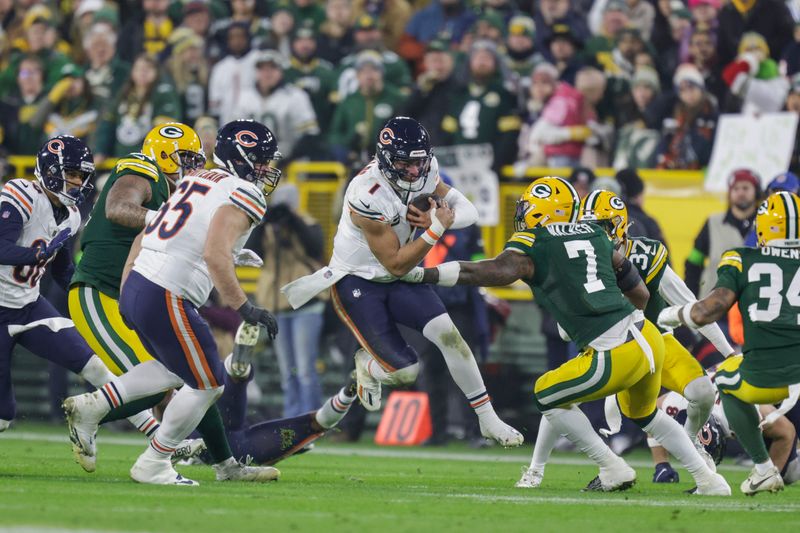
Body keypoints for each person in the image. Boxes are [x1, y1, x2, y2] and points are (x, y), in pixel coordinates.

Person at [407, 176, 729, 494]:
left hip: (614, 347)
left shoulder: (537, 241)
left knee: (547, 392)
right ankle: (708, 480)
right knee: (646, 415)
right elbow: (639, 291)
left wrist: (426, 274)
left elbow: (492, 271)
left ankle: (610, 466)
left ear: (542, 212)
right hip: (648, 336)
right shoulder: (595, 233)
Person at [64, 120, 284, 486]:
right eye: (261, 161)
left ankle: (95, 407)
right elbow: (215, 254)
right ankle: (155, 461)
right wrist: (244, 307)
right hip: (167, 292)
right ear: (242, 159)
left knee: (173, 370)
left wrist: (127, 285)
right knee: (210, 384)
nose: (265, 170)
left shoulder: (197, 180)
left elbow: (148, 234)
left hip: (140, 284)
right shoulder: (243, 192)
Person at [282, 117, 523, 447]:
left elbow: (468, 211)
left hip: (402, 276)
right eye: (405, 162)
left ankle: (487, 419)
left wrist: (437, 220)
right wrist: (435, 228)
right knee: (406, 372)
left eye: (418, 161)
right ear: (384, 158)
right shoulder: (366, 193)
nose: (413, 171)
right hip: (359, 280)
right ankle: (367, 365)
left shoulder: (426, 169)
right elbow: (394, 263)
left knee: (452, 339)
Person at [516, 191, 733, 487]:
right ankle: (537, 469)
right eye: (590, 225)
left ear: (620, 226)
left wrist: (729, 355)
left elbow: (693, 306)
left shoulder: (644, 254)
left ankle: (691, 443)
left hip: (654, 337)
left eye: (603, 225)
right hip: (608, 345)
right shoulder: (577, 255)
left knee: (702, 393)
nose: (596, 232)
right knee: (562, 395)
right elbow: (565, 329)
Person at [658, 191, 800, 494]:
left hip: (768, 371)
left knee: (726, 379)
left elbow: (708, 311)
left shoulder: (741, 258)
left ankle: (763, 468)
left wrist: (674, 312)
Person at [0, 136, 118, 433]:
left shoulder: (72, 215)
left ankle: (160, 439)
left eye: (81, 176)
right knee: (3, 415)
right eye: (72, 174)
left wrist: (93, 296)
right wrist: (36, 254)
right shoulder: (21, 194)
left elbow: (64, 272)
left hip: (28, 306)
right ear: (51, 171)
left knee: (95, 367)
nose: (78, 182)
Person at [252, 185, 326, 417]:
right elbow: (252, 253)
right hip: (278, 305)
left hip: (307, 304)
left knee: (305, 369)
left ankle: (312, 418)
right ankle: (292, 417)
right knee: (288, 370)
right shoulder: (268, 227)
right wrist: (263, 221)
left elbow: (315, 248)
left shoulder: (308, 222)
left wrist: (293, 220)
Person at [650, 387, 800, 486]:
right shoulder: (675, 404)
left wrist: (769, 477)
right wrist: (661, 464)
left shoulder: (739, 415)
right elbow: (651, 413)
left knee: (788, 473)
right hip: (736, 384)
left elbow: (787, 432)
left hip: (784, 384)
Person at [233, 50, 321, 164]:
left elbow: (309, 135)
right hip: (250, 163)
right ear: (257, 72)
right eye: (263, 69)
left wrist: (288, 158)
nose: (267, 73)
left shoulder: (296, 96)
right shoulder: (245, 97)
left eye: (272, 68)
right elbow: (232, 134)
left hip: (289, 164)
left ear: (281, 71)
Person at [684, 168, 761, 298]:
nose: (741, 193)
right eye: (736, 189)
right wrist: (690, 300)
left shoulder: (767, 224)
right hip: (713, 304)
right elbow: (693, 264)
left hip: (754, 304)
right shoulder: (712, 222)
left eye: (746, 188)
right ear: (730, 193)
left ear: (756, 191)